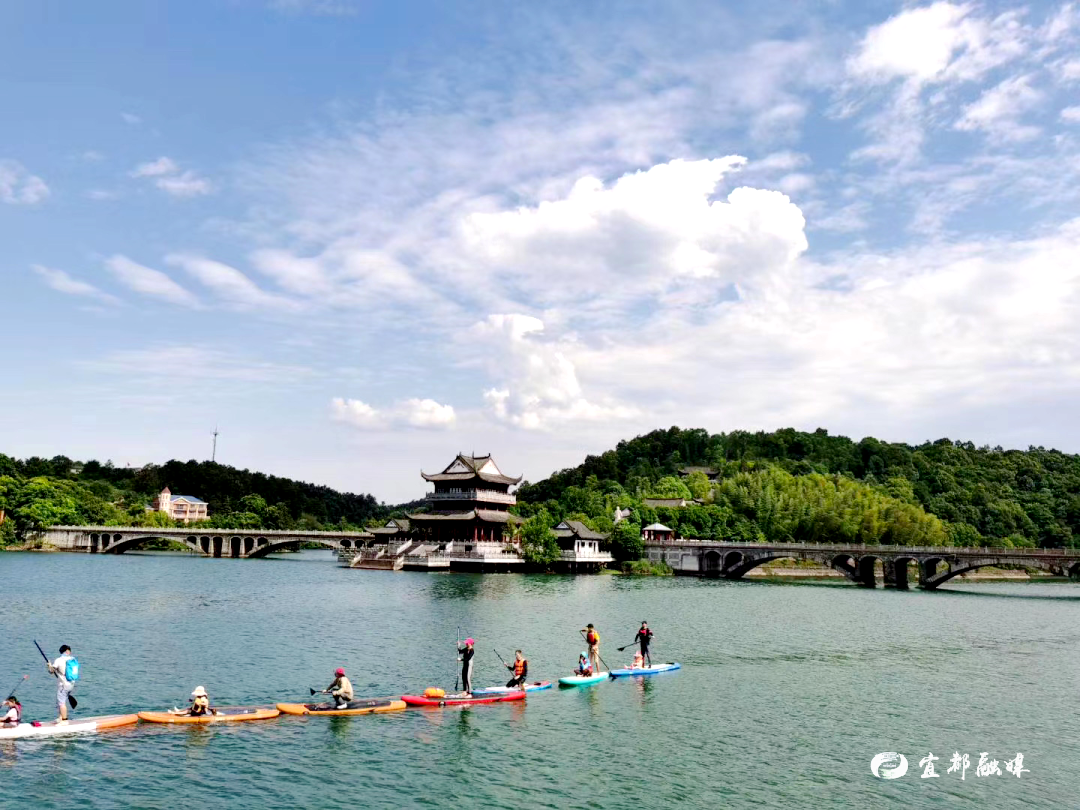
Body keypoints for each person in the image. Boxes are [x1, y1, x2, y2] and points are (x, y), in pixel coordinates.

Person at [46, 644, 77, 723]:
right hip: (71, 684)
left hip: (63, 685)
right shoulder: (72, 659)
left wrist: (49, 665)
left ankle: (64, 720)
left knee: (62, 703)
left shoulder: (59, 660)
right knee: (60, 701)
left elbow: (51, 671)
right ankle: (60, 717)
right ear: (68, 651)